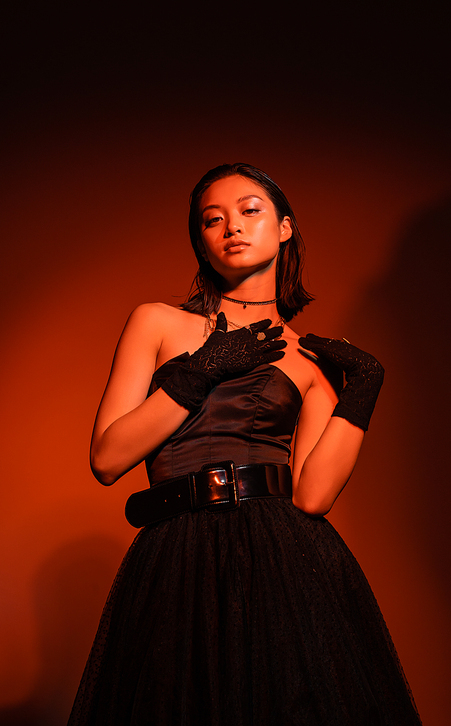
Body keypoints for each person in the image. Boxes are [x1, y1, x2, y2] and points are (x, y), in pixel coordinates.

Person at [68, 163, 421, 725]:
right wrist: (197, 373)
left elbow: (314, 497)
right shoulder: (157, 323)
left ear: (284, 228)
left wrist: (364, 391)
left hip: (284, 557)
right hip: (175, 554)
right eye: (213, 220)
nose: (232, 226)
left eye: (250, 211)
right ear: (201, 243)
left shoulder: (309, 359)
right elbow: (108, 460)